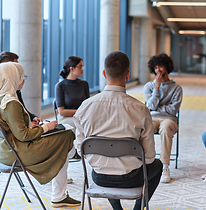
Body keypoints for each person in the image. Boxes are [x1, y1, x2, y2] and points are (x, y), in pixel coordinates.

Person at [74, 51, 162, 210]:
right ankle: (138, 208)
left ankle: (117, 208)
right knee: (158, 165)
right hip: (132, 178)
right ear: (128, 75)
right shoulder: (140, 109)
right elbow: (149, 157)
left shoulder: (84, 107)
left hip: (100, 177)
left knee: (104, 164)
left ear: (104, 74)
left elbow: (81, 151)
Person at [0, 62, 81, 208]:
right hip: (17, 152)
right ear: (13, 78)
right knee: (66, 136)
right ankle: (59, 194)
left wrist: (29, 124)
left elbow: (11, 127)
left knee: (64, 139)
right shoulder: (11, 103)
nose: (23, 80)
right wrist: (46, 128)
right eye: (21, 77)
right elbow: (24, 136)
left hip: (2, 151)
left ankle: (61, 185)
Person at [144, 53, 183, 183]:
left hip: (169, 120)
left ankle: (164, 166)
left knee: (166, 128)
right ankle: (148, 163)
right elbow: (150, 106)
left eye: (160, 66)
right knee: (143, 128)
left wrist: (157, 108)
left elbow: (173, 110)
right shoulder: (149, 87)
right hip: (153, 119)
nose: (158, 70)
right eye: (155, 68)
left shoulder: (177, 88)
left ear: (167, 67)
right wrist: (157, 88)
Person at [0, 51, 42, 124]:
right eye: (15, 66)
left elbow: (22, 109)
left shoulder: (14, 88)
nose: (18, 70)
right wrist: (28, 124)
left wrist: (32, 117)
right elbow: (4, 121)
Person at [55, 56, 90, 161]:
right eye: (80, 66)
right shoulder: (60, 86)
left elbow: (87, 106)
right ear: (72, 68)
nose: (83, 69)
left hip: (82, 117)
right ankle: (73, 152)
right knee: (79, 126)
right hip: (67, 118)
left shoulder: (84, 84)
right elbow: (62, 111)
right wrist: (80, 113)